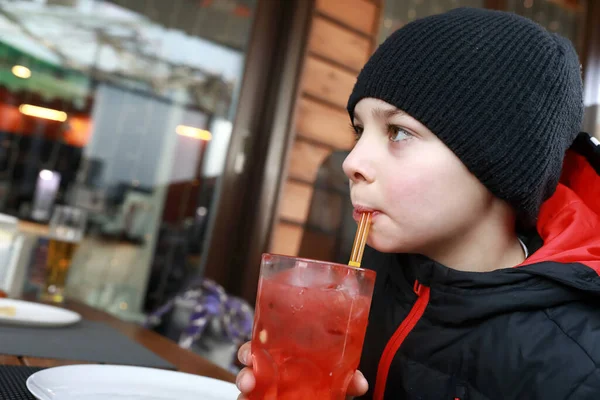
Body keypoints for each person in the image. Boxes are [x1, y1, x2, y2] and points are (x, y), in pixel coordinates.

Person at [236, 7, 600, 400]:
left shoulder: (576, 368)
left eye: (397, 132)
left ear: (497, 162)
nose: (351, 162)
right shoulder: (369, 281)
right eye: (359, 130)